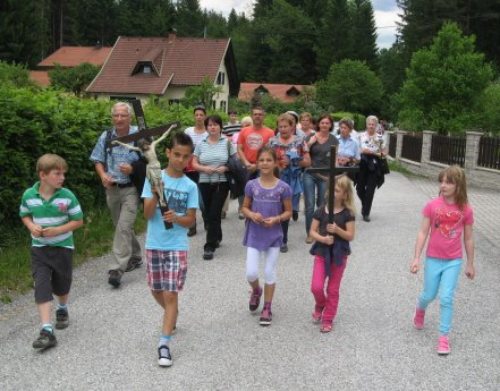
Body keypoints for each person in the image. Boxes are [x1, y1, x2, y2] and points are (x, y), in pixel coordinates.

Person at [142, 133, 198, 367]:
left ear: (189, 158)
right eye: (176, 155)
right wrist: (156, 192)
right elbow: (145, 215)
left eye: (185, 157)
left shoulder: (190, 186)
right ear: (167, 153)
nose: (180, 160)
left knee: (171, 293)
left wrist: (177, 218)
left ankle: (164, 344)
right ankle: (171, 315)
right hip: (154, 243)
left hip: (177, 245)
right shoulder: (153, 177)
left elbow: (191, 221)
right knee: (156, 289)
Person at [19, 154, 84, 350]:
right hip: (39, 249)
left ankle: (62, 308)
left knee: (62, 286)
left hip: (63, 246)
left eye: (63, 174)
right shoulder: (29, 195)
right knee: (41, 285)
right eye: (57, 173)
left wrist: (57, 230)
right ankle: (46, 330)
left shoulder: (67, 196)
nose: (62, 177)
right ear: (43, 175)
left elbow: (78, 221)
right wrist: (31, 226)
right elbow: (25, 215)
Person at [410, 166, 475, 355]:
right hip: (433, 258)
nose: (443, 185)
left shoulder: (466, 210)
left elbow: (469, 238)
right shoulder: (432, 206)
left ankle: (444, 337)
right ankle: (420, 308)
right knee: (429, 295)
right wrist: (416, 258)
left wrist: (470, 263)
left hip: (453, 260)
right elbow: (423, 232)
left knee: (446, 297)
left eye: (449, 182)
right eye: (442, 181)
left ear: (459, 185)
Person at [90, 102, 143, 288]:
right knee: (121, 226)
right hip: (112, 189)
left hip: (131, 189)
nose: (119, 119)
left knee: (123, 227)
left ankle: (116, 269)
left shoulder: (139, 135)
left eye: (123, 115)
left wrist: (133, 168)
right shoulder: (106, 136)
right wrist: (103, 175)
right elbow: (97, 159)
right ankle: (135, 255)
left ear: (130, 117)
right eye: (116, 116)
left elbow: (150, 159)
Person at [241, 147, 292, 326]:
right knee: (251, 272)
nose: (264, 163)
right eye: (261, 160)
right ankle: (256, 290)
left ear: (275, 163)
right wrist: (251, 214)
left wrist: (277, 218)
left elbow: (288, 212)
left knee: (270, 271)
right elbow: (244, 207)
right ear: (257, 163)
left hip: (273, 235)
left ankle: (267, 307)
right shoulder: (251, 185)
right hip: (254, 234)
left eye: (268, 160)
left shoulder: (283, 187)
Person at [309, 175, 355, 333]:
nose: (332, 193)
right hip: (322, 252)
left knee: (333, 289)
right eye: (331, 189)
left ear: (345, 194)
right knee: (316, 287)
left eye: (336, 190)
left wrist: (337, 230)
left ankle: (328, 317)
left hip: (338, 256)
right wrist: (323, 238)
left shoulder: (348, 213)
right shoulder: (321, 210)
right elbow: (312, 232)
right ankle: (320, 304)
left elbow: (350, 236)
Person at [192, 115, 235, 260]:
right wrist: (203, 169)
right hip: (204, 182)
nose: (213, 127)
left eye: (216, 124)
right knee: (209, 212)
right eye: (210, 125)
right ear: (206, 127)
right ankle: (217, 235)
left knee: (213, 213)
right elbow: (194, 163)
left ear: (221, 127)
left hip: (221, 182)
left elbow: (235, 161)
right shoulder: (201, 144)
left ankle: (209, 246)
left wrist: (226, 167)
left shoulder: (227, 143)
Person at [268, 113, 310, 252]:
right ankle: (274, 236)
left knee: (286, 209)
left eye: (286, 126)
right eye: (280, 126)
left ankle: (283, 239)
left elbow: (308, 162)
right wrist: (277, 164)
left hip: (292, 179)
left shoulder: (300, 141)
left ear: (292, 127)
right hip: (275, 178)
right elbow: (265, 160)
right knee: (275, 208)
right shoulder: (272, 141)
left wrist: (293, 160)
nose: (283, 129)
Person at [303, 114, 339, 244]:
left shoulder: (334, 140)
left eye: (327, 123)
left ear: (330, 125)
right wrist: (310, 143)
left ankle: (319, 230)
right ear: (318, 124)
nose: (324, 125)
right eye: (322, 123)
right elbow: (303, 152)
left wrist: (334, 176)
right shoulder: (310, 137)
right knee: (309, 204)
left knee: (322, 204)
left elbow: (335, 159)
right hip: (310, 173)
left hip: (325, 175)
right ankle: (310, 233)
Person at [356, 115, 386, 222]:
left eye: (373, 124)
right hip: (363, 163)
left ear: (376, 125)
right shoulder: (360, 136)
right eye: (369, 124)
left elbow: (384, 153)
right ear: (366, 124)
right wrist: (362, 151)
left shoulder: (380, 138)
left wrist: (376, 153)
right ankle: (365, 204)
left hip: (375, 164)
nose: (371, 126)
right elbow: (356, 149)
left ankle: (366, 213)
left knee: (370, 190)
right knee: (359, 188)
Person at [184, 105, 208, 237]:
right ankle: (192, 226)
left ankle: (206, 220)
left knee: (202, 200)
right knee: (189, 199)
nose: (199, 117)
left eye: (201, 115)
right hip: (188, 170)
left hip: (202, 169)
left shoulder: (208, 132)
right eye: (196, 115)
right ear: (194, 116)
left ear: (205, 116)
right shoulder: (188, 131)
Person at [237, 106, 275, 180]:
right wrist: (246, 163)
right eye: (255, 114)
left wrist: (257, 165)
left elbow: (271, 152)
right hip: (246, 166)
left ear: (264, 116)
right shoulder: (244, 131)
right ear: (251, 116)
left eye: (260, 114)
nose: (257, 116)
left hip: (262, 167)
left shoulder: (270, 133)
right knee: (246, 190)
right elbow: (239, 149)